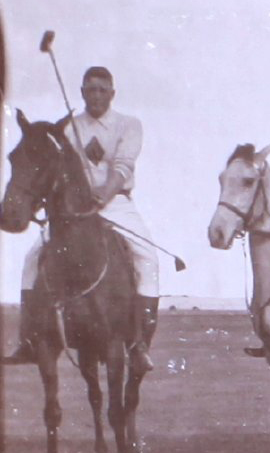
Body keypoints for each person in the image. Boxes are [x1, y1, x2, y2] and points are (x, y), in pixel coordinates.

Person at [7, 66, 159, 370]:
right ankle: (29, 340)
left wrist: (104, 192)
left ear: (112, 93)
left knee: (148, 259)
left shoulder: (129, 125)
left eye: (102, 90)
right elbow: (52, 169)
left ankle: (139, 343)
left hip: (116, 204)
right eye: (91, 89)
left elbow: (123, 167)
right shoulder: (68, 129)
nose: (96, 95)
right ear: (82, 93)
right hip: (76, 210)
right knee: (31, 259)